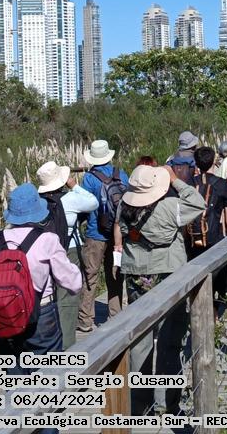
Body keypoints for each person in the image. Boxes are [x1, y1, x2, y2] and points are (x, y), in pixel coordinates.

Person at [0, 183, 82, 434]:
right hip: (41, 318)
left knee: (16, 384)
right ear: (37, 211)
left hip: (4, 322)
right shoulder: (47, 240)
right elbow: (73, 283)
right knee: (48, 385)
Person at [113, 163, 205, 416]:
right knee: (169, 339)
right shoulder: (170, 207)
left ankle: (139, 403)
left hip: (135, 275)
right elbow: (198, 203)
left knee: (139, 341)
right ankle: (166, 402)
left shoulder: (123, 206)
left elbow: (121, 232)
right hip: (168, 274)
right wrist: (175, 180)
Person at [36, 160, 98, 349]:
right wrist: (74, 185)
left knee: (46, 297)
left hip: (42, 251)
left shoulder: (37, 202)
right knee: (68, 297)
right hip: (68, 250)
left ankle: (47, 343)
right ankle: (67, 344)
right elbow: (93, 202)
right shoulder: (70, 199)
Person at [77, 140, 129, 333]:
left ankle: (85, 320)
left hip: (95, 233)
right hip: (118, 234)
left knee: (90, 275)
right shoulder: (121, 174)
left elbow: (84, 205)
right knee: (115, 274)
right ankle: (115, 315)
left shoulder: (89, 178)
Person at [188, 146, 227, 304]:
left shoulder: (189, 183)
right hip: (215, 237)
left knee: (196, 273)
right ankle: (215, 308)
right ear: (213, 162)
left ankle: (198, 303)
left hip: (193, 238)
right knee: (219, 275)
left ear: (196, 163)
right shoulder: (222, 184)